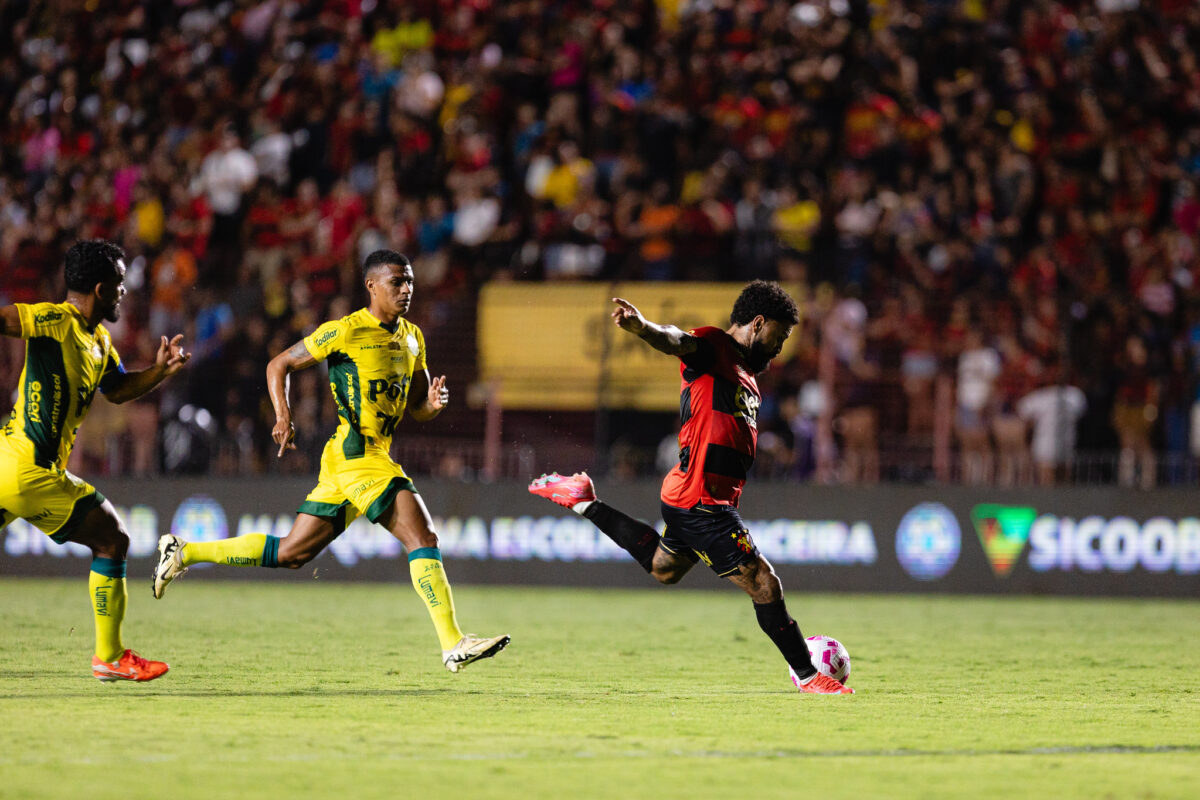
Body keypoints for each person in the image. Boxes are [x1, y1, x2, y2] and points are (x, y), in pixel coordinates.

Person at [152, 250, 510, 673]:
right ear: (371, 286)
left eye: (410, 281)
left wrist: (432, 405)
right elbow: (279, 364)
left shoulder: (413, 337)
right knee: (423, 536)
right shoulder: (346, 331)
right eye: (397, 282)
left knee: (291, 552)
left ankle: (184, 551)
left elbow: (417, 406)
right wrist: (283, 416)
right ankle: (453, 643)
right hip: (358, 455)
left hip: (357, 459)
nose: (406, 290)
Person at [528, 281, 853, 694]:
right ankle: (809, 677)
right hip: (703, 501)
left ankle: (585, 502)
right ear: (758, 323)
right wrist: (643, 327)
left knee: (664, 568)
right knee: (763, 582)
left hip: (691, 494)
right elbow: (677, 340)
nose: (779, 347)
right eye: (780, 335)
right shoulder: (715, 347)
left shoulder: (745, 375)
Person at [0, 239, 191, 682]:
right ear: (102, 289)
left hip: (8, 462)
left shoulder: (99, 340)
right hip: (29, 471)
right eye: (120, 284)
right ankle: (110, 655)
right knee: (112, 539)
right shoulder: (56, 320)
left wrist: (159, 371)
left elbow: (118, 390)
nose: (125, 291)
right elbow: (6, 319)